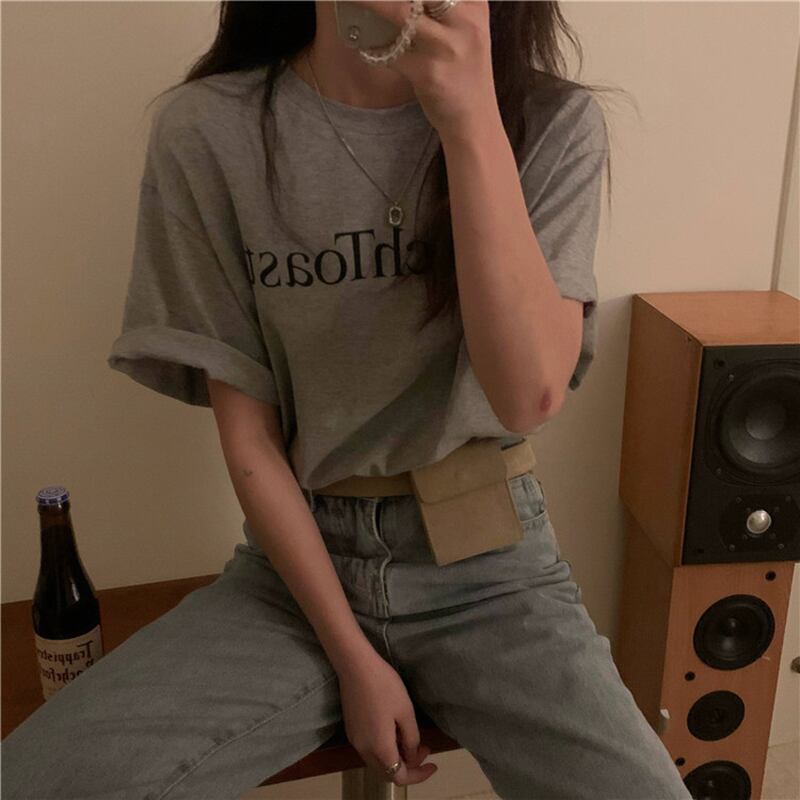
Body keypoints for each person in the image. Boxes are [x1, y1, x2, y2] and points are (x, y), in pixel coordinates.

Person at [2, 2, 694, 799]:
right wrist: (353, 656)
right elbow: (250, 439)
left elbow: (528, 394)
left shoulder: (550, 123)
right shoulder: (211, 129)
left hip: (492, 568)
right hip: (297, 571)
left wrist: (469, 119)